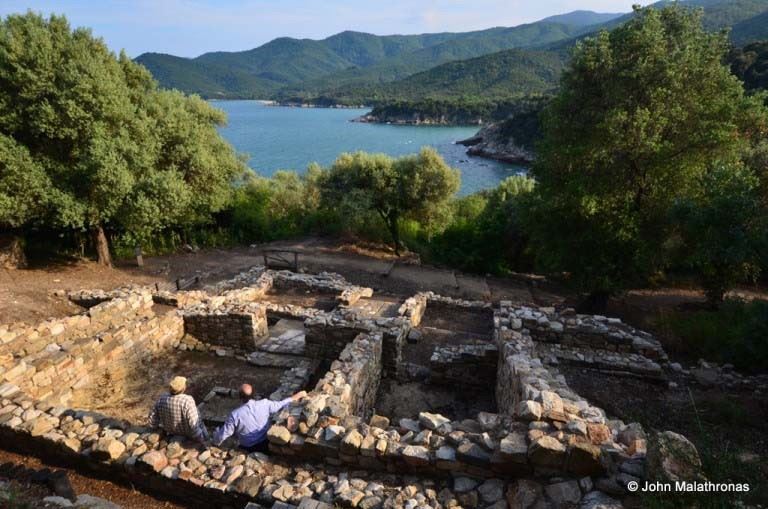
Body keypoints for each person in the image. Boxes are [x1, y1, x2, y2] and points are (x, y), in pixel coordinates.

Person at [213, 385, 307, 453]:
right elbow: (280, 404)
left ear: (240, 396)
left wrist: (214, 441)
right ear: (254, 394)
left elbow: (223, 434)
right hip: (266, 440)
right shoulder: (265, 403)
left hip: (249, 447)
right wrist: (295, 397)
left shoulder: (234, 415)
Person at [148, 376, 209, 443]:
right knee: (200, 422)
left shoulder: (162, 397)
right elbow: (193, 423)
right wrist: (200, 439)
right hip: (187, 433)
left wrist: (154, 426)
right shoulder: (187, 400)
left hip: (170, 431)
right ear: (183, 388)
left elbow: (153, 416)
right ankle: (208, 440)